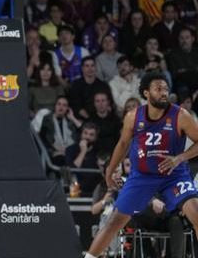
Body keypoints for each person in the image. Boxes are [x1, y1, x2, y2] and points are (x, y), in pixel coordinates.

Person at [84, 73, 198, 258]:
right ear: (146, 93)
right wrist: (110, 171)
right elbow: (122, 145)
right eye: (158, 89)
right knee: (114, 221)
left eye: (166, 89)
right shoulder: (133, 117)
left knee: (196, 212)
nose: (164, 93)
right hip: (142, 177)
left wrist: (179, 158)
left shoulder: (180, 115)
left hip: (173, 175)